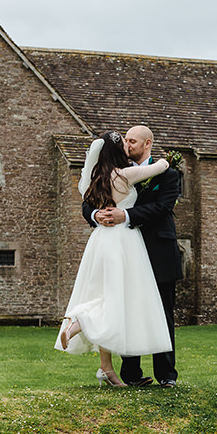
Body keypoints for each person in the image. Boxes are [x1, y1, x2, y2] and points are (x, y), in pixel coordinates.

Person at [55, 131, 172, 387]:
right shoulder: (125, 174)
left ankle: (105, 369)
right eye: (125, 143)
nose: (129, 147)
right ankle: (82, 320)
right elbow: (161, 166)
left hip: (99, 242)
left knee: (105, 294)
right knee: (120, 298)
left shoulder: (91, 180)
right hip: (123, 242)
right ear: (119, 152)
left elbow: (87, 203)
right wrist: (166, 161)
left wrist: (97, 214)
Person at [82, 125, 183, 388]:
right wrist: (96, 215)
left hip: (158, 251)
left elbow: (162, 207)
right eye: (125, 140)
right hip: (125, 255)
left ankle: (166, 375)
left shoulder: (169, 174)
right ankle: (131, 374)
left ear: (147, 143)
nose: (128, 145)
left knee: (162, 313)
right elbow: (87, 202)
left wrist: (124, 215)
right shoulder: (111, 173)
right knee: (127, 310)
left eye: (133, 141)